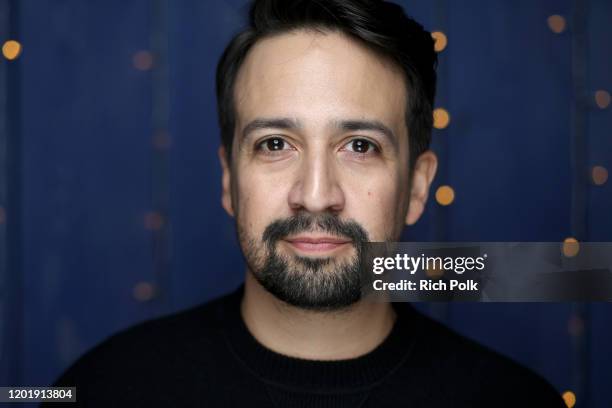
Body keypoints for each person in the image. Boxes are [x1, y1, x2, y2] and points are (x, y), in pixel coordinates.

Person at [46, 0, 566, 406]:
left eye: (360, 146)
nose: (316, 194)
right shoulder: (103, 389)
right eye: (275, 144)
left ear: (416, 187)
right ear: (229, 179)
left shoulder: (514, 399)